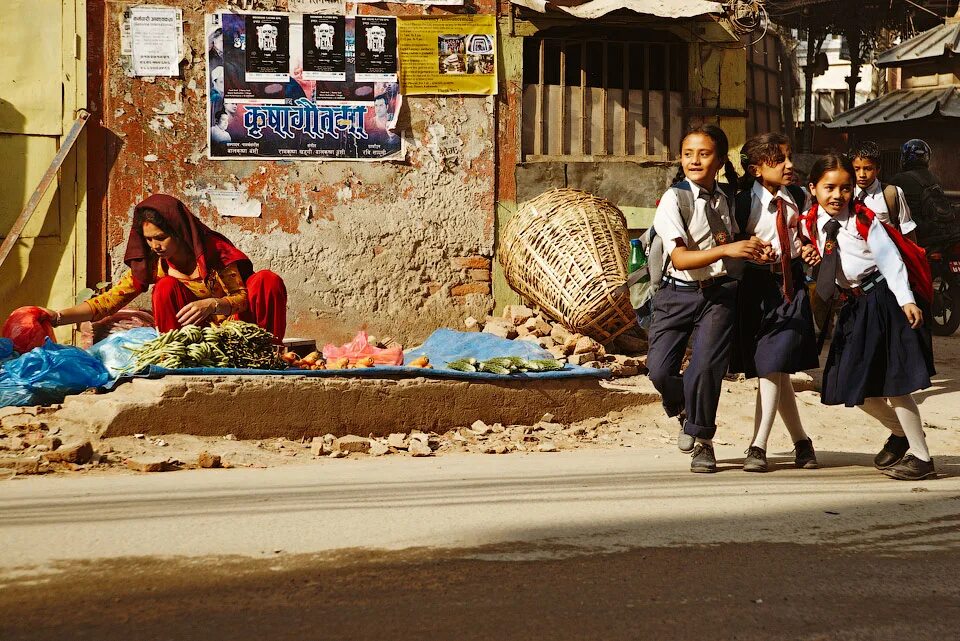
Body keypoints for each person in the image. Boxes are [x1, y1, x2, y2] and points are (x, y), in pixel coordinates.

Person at [646, 125, 771, 474]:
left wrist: (752, 251)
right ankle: (683, 407)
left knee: (705, 369)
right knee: (658, 370)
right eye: (688, 153)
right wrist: (729, 248)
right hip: (676, 294)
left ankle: (703, 442)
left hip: (719, 294)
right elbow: (681, 259)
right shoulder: (675, 199)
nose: (694, 160)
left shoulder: (727, 197)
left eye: (703, 154)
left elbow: (735, 240)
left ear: (719, 160)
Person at [805, 154, 936, 480]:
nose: (838, 195)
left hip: (884, 301)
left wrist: (906, 300)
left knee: (895, 383)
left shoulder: (864, 220)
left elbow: (891, 260)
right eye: (829, 187)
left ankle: (921, 458)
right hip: (853, 307)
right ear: (813, 188)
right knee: (852, 386)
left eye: (845, 188)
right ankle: (901, 433)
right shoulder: (811, 221)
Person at [41, 195, 288, 341]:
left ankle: (267, 354)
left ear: (179, 232)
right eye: (149, 240)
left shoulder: (213, 252)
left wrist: (211, 304)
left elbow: (242, 298)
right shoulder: (154, 263)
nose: (155, 245)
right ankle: (174, 356)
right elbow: (109, 301)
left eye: (161, 237)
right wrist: (57, 317)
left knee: (267, 280)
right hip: (195, 339)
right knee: (165, 286)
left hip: (239, 329)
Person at [731, 133, 820, 472]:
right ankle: (802, 442)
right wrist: (751, 248)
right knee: (775, 367)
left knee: (772, 364)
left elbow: (809, 235)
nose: (790, 165)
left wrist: (810, 249)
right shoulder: (742, 204)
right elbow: (731, 244)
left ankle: (758, 445)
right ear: (756, 169)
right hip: (757, 289)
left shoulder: (797, 196)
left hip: (791, 286)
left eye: (789, 157)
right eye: (779, 160)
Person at [849, 141, 917, 242]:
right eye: (857, 169)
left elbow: (907, 230)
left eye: (868, 169)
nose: (862, 174)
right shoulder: (847, 194)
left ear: (878, 169)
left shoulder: (893, 193)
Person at [889, 139, 938, 219]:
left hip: (912, 228)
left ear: (905, 156)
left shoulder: (899, 179)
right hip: (936, 228)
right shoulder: (936, 178)